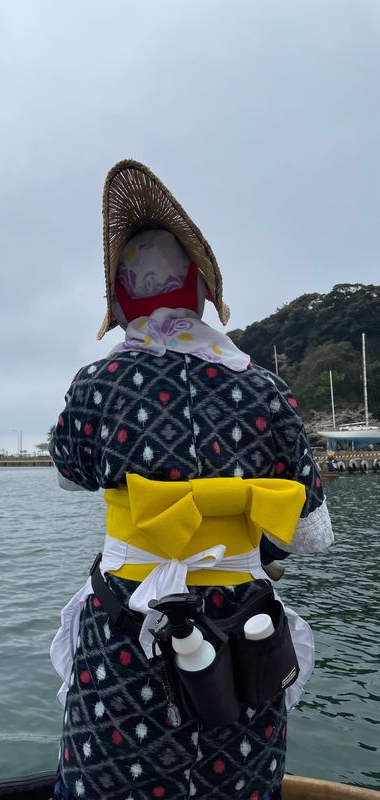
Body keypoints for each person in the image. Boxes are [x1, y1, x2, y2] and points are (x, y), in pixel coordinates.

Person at [49, 160, 334, 800]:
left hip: (131, 623)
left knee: (108, 777)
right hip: (244, 636)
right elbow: (313, 535)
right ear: (202, 290)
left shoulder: (97, 383)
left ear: (120, 300)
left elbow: (70, 474)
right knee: (237, 776)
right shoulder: (266, 389)